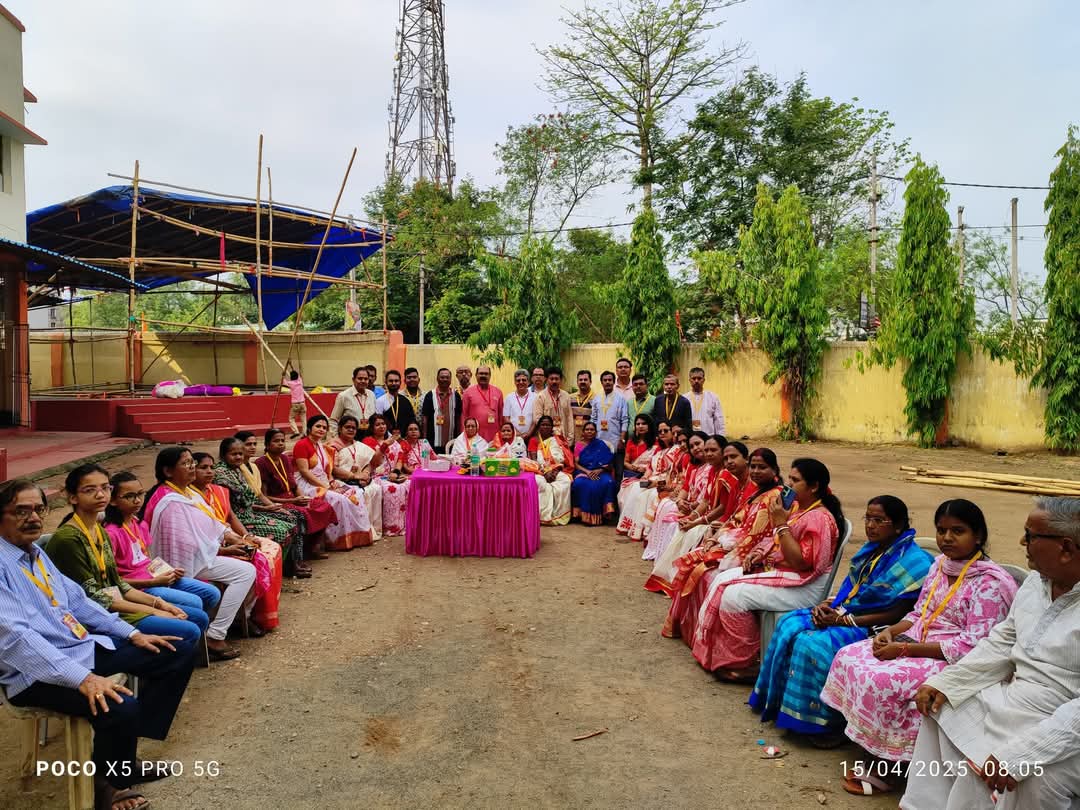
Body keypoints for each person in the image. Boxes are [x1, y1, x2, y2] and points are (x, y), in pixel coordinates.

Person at [0, 478, 194, 810]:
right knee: (120, 704)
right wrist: (84, 679)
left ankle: (123, 756)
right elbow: (17, 639)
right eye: (21, 511)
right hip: (32, 672)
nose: (33, 518)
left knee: (177, 649)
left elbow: (79, 602)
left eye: (38, 509)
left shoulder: (35, 554)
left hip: (78, 648)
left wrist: (132, 634)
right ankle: (108, 787)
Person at [819, 501, 1019, 798]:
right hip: (916, 640)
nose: (947, 538)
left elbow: (975, 645)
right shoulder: (939, 565)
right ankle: (869, 744)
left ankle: (888, 766)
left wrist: (904, 650)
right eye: (941, 530)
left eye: (958, 531)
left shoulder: (990, 583)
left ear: (978, 536)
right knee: (849, 655)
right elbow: (918, 613)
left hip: (952, 656)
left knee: (883, 680)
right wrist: (890, 632)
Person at [899, 497, 1080, 810]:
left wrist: (1023, 754)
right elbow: (1002, 642)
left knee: (1032, 774)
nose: (1022, 542)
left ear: (1065, 548)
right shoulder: (1035, 583)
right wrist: (948, 683)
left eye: (1031, 536)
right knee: (939, 704)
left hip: (1064, 718)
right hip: (1018, 699)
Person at [750, 496, 935, 748]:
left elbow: (897, 614)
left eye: (879, 520)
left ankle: (826, 724)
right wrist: (828, 605)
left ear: (899, 525)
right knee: (788, 624)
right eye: (868, 518)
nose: (870, 525)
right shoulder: (871, 550)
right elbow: (852, 591)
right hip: (848, 612)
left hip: (875, 627)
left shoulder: (916, 562)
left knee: (813, 645)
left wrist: (843, 620)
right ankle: (780, 706)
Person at [664, 457, 842, 680]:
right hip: (790, 574)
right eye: (789, 478)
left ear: (814, 487)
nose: (789, 485)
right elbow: (778, 543)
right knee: (723, 578)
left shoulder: (819, 518)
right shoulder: (801, 509)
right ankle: (727, 652)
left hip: (805, 584)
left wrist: (780, 523)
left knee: (733, 597)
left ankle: (748, 662)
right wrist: (759, 554)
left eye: (795, 480)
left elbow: (801, 563)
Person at [45, 465, 204, 648]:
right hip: (94, 615)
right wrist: (153, 610)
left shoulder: (98, 530)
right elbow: (94, 597)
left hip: (115, 603)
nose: (100, 495)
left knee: (197, 617)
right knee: (189, 629)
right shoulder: (68, 539)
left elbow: (118, 583)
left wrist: (159, 604)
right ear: (73, 497)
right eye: (90, 490)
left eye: (105, 488)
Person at [142, 447, 256, 660]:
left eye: (192, 462)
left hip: (199, 555)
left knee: (248, 568)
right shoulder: (169, 501)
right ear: (168, 471)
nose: (192, 467)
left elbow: (211, 523)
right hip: (175, 563)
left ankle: (224, 629)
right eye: (186, 464)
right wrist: (222, 548)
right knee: (244, 572)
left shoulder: (188, 492)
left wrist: (236, 538)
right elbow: (183, 544)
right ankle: (216, 636)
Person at [646, 443, 772, 596]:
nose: (729, 461)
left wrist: (713, 531)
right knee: (684, 531)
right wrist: (694, 517)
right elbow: (719, 508)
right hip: (726, 528)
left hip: (742, 539)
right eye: (726, 458)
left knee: (694, 539)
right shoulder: (727, 478)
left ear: (746, 459)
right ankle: (669, 583)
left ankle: (676, 586)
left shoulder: (751, 486)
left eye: (733, 457)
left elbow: (732, 515)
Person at [105, 471, 223, 621]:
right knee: (195, 603)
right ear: (113, 501)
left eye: (140, 494)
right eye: (129, 496)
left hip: (156, 578)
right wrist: (152, 582)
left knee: (212, 593)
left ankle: (191, 624)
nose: (137, 500)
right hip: (140, 588)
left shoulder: (139, 524)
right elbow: (111, 580)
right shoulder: (111, 533)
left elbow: (147, 560)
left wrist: (170, 571)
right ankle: (189, 624)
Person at [191, 452, 278, 628]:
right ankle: (237, 619)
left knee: (268, 550)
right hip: (206, 548)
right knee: (252, 563)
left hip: (226, 535)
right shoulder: (188, 497)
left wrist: (245, 537)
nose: (209, 471)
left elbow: (230, 517)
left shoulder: (218, 491)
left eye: (211, 467)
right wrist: (225, 548)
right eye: (203, 468)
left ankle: (252, 613)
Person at [214, 437, 310, 578]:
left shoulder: (237, 469)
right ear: (224, 455)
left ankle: (291, 565)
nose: (238, 457)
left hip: (251, 513)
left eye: (240, 454)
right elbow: (231, 508)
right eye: (233, 454)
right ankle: (274, 572)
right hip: (239, 520)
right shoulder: (222, 475)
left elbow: (253, 496)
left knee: (291, 520)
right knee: (282, 532)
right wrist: (267, 508)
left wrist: (270, 507)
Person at [293, 414, 373, 550]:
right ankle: (336, 540)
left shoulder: (320, 446)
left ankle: (357, 537)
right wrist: (325, 486)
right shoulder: (301, 445)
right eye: (318, 426)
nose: (321, 429)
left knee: (355, 493)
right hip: (308, 486)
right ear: (309, 428)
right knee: (340, 499)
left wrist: (331, 481)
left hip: (324, 482)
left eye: (324, 427)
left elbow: (327, 470)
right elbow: (305, 472)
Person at [253, 428, 337, 556]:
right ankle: (299, 555)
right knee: (302, 514)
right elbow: (264, 495)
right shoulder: (261, 463)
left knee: (323, 506)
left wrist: (302, 498)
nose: (280, 443)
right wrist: (293, 501)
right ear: (267, 444)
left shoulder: (285, 459)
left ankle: (313, 547)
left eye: (282, 440)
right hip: (277, 501)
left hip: (293, 497)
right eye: (276, 441)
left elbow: (294, 485)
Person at [643, 431, 713, 562]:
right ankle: (658, 552)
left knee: (672, 520)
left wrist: (691, 509)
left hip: (701, 509)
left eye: (698, 444)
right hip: (689, 503)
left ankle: (670, 561)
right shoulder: (693, 464)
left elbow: (706, 499)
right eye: (692, 446)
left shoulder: (712, 468)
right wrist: (680, 500)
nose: (695, 448)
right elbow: (685, 486)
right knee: (665, 505)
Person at [616, 419, 677, 540]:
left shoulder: (676, 450)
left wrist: (656, 483)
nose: (662, 433)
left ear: (672, 433)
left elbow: (674, 475)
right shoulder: (659, 450)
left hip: (663, 483)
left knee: (647, 495)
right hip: (651, 480)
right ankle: (629, 526)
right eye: (660, 431)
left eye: (666, 431)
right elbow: (650, 467)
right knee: (635, 487)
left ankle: (644, 531)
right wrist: (645, 477)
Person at [329, 415, 384, 541]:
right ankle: (359, 533)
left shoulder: (359, 445)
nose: (351, 430)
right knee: (358, 493)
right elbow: (334, 469)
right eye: (347, 427)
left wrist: (365, 474)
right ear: (340, 428)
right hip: (341, 480)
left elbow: (370, 462)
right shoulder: (333, 446)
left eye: (353, 428)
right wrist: (354, 476)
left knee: (375, 488)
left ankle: (372, 530)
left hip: (360, 479)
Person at [363, 414, 409, 536]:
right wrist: (384, 445)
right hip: (376, 476)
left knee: (409, 484)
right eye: (377, 425)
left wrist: (396, 472)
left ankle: (406, 524)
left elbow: (400, 459)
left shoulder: (394, 442)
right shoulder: (368, 441)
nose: (381, 427)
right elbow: (373, 462)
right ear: (371, 427)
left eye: (383, 424)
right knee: (391, 489)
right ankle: (390, 527)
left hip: (393, 475)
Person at [528, 416, 573, 526]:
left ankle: (558, 515)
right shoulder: (534, 440)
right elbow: (534, 460)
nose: (545, 427)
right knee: (541, 483)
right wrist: (545, 472)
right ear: (539, 427)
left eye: (548, 425)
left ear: (552, 427)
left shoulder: (557, 440)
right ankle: (543, 516)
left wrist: (555, 472)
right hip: (539, 470)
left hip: (556, 469)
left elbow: (563, 459)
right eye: (543, 424)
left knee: (565, 481)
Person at [571, 421, 617, 526]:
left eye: (592, 430)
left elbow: (609, 463)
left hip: (601, 471)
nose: (589, 431)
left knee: (608, 482)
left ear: (596, 432)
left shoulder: (601, 444)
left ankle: (605, 514)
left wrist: (599, 470)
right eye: (587, 429)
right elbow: (576, 464)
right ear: (583, 432)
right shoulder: (579, 445)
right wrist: (588, 472)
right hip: (584, 471)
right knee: (579, 483)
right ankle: (582, 515)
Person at [421, 367, 463, 454]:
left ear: (450, 379)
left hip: (452, 441)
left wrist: (459, 438)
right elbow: (425, 418)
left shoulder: (456, 396)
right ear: (437, 379)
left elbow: (459, 418)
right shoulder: (430, 395)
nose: (445, 379)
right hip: (433, 441)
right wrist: (424, 439)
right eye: (442, 377)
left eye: (447, 377)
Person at [461, 365, 504, 443]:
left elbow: (501, 415)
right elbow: (464, 415)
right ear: (476, 375)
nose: (483, 376)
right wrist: (464, 434)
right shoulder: (468, 392)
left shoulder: (498, 392)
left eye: (486, 374)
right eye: (481, 373)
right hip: (474, 435)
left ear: (490, 376)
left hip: (494, 435)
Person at [330, 366, 378, 435]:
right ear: (353, 379)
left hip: (368, 435)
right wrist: (335, 438)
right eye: (360, 378)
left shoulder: (372, 395)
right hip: (349, 435)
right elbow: (334, 420)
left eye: (365, 379)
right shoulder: (343, 396)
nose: (363, 381)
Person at [591, 370, 629, 455]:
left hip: (615, 439)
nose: (607, 382)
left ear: (614, 382)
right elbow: (593, 419)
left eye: (610, 380)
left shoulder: (621, 399)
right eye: (605, 380)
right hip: (598, 438)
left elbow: (625, 420)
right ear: (601, 382)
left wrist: (622, 439)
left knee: (615, 461)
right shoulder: (596, 399)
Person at [533, 366, 575, 441]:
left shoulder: (566, 396)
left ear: (560, 380)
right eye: (551, 379)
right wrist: (551, 430)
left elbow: (569, 418)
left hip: (564, 438)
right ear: (546, 380)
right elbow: (537, 419)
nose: (554, 381)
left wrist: (570, 439)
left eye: (556, 379)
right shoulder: (540, 396)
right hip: (547, 439)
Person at [375, 369, 418, 434]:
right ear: (386, 382)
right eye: (391, 381)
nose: (394, 383)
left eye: (396, 381)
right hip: (386, 437)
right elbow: (378, 423)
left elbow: (411, 421)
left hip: (404, 437)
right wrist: (390, 436)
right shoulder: (380, 401)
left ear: (400, 382)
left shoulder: (405, 401)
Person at [686, 367, 725, 436]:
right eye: (694, 378)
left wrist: (721, 437)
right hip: (690, 437)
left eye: (699, 378)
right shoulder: (684, 398)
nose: (696, 381)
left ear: (703, 380)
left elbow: (719, 420)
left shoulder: (713, 397)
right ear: (689, 380)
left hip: (709, 437)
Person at [503, 369, 538, 440]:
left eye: (524, 380)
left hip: (531, 436)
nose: (521, 382)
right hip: (514, 436)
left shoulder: (535, 397)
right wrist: (517, 433)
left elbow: (536, 418)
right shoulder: (509, 397)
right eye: (518, 380)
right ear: (515, 382)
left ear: (528, 382)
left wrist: (528, 434)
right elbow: (506, 418)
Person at [282, 362, 307, 439]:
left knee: (291, 418)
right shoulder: (300, 381)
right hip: (302, 403)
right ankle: (304, 433)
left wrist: (283, 376)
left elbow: (284, 382)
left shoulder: (290, 383)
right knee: (303, 419)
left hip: (295, 404)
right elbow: (296, 374)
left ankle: (296, 431)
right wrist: (291, 366)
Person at [571, 370, 595, 446]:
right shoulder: (570, 397)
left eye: (585, 379)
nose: (583, 382)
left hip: (589, 440)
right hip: (574, 438)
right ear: (577, 382)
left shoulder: (596, 398)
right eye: (580, 380)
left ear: (590, 382)